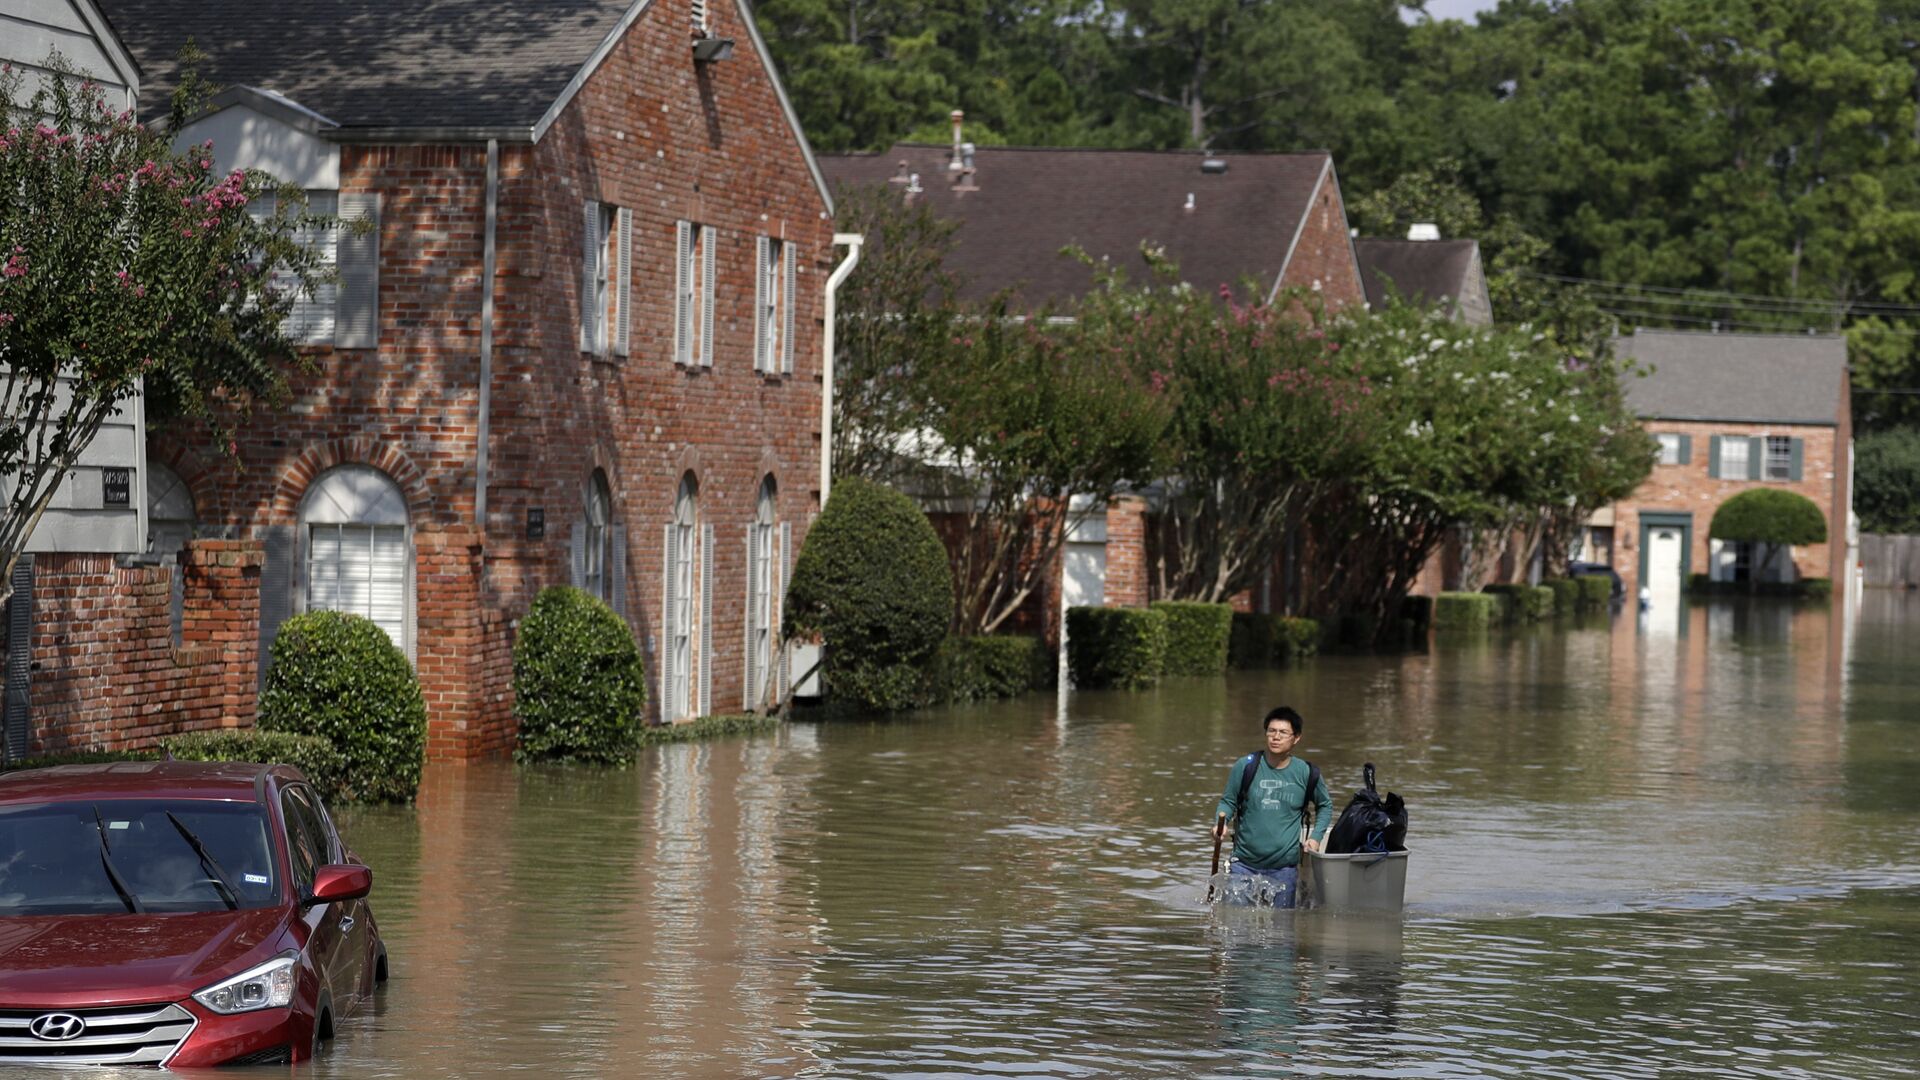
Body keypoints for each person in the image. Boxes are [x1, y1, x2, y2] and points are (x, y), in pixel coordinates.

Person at [1213, 706, 1332, 908]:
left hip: (1284, 869)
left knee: (1281, 933)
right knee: (1236, 929)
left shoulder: (1306, 773)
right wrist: (1220, 824)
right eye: (1271, 731)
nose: (1276, 737)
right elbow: (1228, 801)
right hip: (1243, 864)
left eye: (1283, 732)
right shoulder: (1246, 766)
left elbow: (1325, 806)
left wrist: (1315, 838)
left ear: (1296, 738)